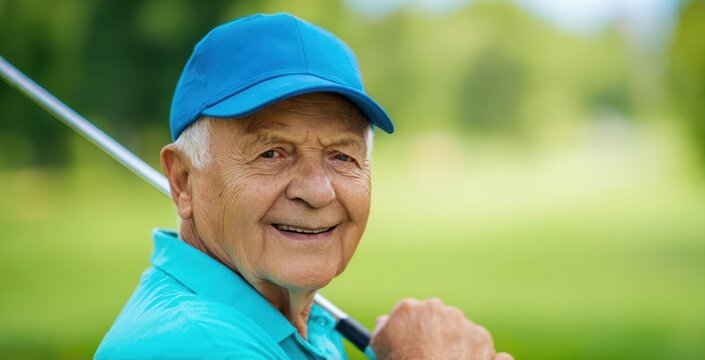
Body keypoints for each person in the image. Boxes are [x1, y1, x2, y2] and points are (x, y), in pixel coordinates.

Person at [95, 12, 512, 360]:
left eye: (341, 156)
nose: (317, 191)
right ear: (184, 181)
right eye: (272, 153)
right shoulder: (193, 345)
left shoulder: (304, 321)